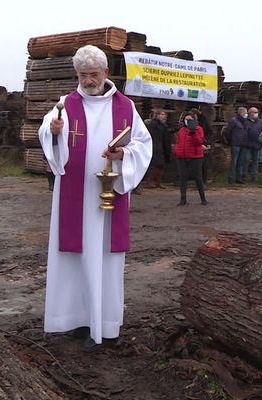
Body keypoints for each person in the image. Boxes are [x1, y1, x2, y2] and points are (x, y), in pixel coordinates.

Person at [38, 45, 152, 351]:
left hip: (107, 198)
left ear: (105, 73)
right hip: (74, 196)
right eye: (82, 75)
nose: (88, 80)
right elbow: (46, 134)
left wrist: (122, 154)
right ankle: (75, 319)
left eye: (93, 74)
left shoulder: (125, 107)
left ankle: (105, 325)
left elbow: (143, 144)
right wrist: (54, 130)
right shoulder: (65, 104)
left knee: (103, 259)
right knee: (73, 259)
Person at [174, 111, 207, 206]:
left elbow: (199, 142)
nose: (187, 121)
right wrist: (177, 151)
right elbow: (178, 142)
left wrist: (193, 133)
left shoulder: (198, 129)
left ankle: (203, 198)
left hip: (195, 157)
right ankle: (183, 199)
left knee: (198, 177)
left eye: (190, 119)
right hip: (182, 156)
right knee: (183, 178)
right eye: (186, 119)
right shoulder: (181, 130)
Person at [145, 110, 171, 188]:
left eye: (165, 114)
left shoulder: (163, 125)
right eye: (162, 114)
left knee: (161, 165)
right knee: (155, 165)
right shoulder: (153, 124)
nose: (164, 116)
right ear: (157, 115)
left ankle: (158, 182)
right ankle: (150, 180)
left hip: (162, 146)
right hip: (155, 146)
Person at [223, 107, 248, 184]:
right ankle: (231, 178)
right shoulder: (234, 121)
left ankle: (239, 178)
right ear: (241, 113)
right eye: (245, 113)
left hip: (243, 144)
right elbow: (227, 132)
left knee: (241, 162)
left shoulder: (245, 122)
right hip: (235, 144)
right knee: (234, 162)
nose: (246, 114)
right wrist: (231, 140)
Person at [245, 107, 262, 182]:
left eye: (256, 112)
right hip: (247, 145)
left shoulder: (260, 122)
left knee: (255, 161)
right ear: (250, 113)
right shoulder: (245, 121)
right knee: (246, 160)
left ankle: (254, 176)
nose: (256, 114)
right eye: (254, 112)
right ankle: (244, 175)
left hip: (257, 145)